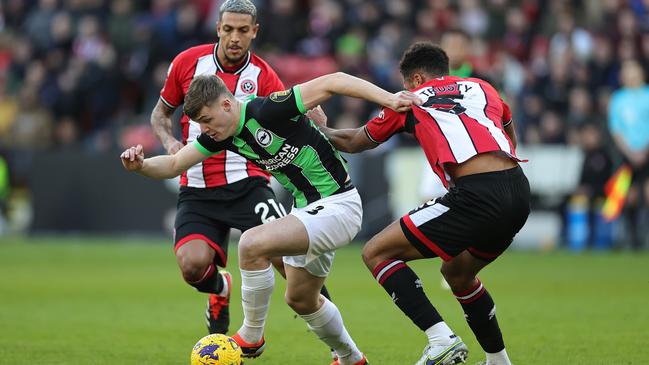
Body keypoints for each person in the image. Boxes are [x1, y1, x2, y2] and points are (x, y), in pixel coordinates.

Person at [121, 71, 416, 365]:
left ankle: (251, 335)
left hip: (339, 204)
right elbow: (174, 163)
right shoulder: (224, 134)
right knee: (301, 299)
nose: (205, 130)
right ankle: (350, 358)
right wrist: (141, 165)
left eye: (207, 121)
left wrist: (390, 99)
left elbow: (333, 81)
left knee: (251, 243)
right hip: (309, 211)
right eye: (200, 124)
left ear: (226, 105)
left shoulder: (267, 109)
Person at [313, 42, 530, 365]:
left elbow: (356, 141)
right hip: (517, 189)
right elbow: (507, 120)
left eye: (404, 85)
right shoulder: (482, 87)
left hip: (476, 193)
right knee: (458, 273)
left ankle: (440, 339)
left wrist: (322, 127)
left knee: (376, 252)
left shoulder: (411, 100)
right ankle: (498, 360)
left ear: (414, 79)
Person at [149, 0, 334, 336]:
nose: (235, 37)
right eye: (228, 29)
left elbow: (286, 115)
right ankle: (220, 289)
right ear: (218, 28)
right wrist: (168, 142)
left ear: (254, 32)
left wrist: (310, 114)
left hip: (248, 182)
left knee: (289, 261)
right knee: (192, 267)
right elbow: (160, 114)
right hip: (197, 187)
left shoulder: (263, 75)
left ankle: (334, 337)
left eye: (243, 30)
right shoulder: (188, 63)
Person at [608, 59, 649, 250]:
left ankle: (645, 235)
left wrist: (644, 150)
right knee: (628, 196)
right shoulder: (618, 98)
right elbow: (616, 129)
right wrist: (630, 152)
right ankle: (632, 239)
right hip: (626, 154)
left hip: (646, 151)